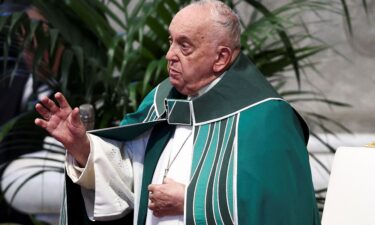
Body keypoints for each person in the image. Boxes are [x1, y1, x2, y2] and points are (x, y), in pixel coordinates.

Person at [35, 1, 321, 225]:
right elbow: (129, 179)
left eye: (184, 45)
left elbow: (280, 209)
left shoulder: (266, 118)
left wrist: (190, 201)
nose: (169, 54)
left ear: (220, 58)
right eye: (171, 41)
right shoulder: (162, 100)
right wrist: (81, 146)